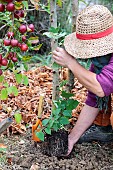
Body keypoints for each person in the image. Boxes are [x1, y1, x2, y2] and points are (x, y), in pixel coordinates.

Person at [52, 5, 113, 156]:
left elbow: (101, 87)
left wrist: (71, 63)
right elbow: (94, 97)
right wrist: (71, 138)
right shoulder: (100, 62)